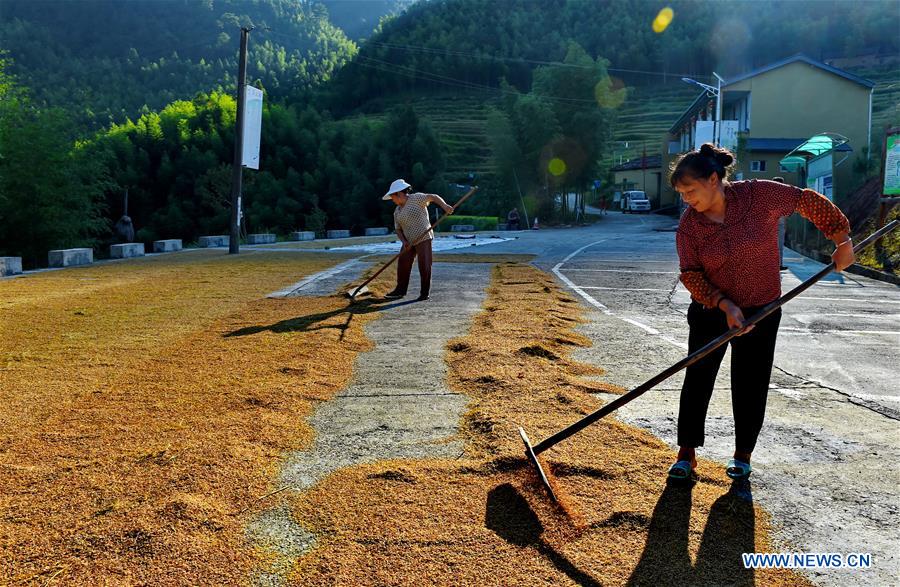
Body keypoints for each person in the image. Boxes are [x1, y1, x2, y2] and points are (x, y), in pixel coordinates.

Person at [667, 143, 853, 482]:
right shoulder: (690, 225)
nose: (686, 199)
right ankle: (686, 454)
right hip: (711, 309)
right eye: (681, 193)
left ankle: (742, 455)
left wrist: (842, 240)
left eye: (690, 190)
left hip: (762, 309)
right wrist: (724, 304)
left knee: (751, 382)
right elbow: (690, 273)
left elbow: (805, 201)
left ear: (713, 179)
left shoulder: (760, 197)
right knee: (698, 378)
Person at [382, 179, 454, 301]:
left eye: (392, 197)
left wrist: (444, 206)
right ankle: (400, 291)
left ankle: (424, 293)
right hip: (408, 241)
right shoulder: (397, 211)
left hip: (424, 237)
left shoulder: (416, 198)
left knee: (424, 265)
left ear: (398, 194)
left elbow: (433, 197)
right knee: (403, 263)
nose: (392, 200)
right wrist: (404, 242)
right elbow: (398, 229)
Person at [772, 176, 789, 270]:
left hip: (770, 223)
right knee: (779, 246)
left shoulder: (769, 194)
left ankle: (773, 265)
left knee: (770, 246)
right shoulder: (784, 195)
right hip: (779, 223)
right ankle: (778, 265)